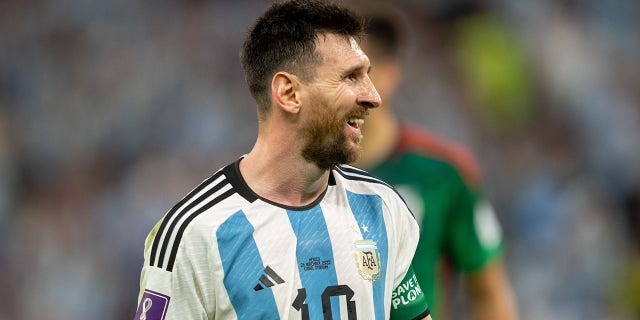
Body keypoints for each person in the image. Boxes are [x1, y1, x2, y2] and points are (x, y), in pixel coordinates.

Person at [133, 1, 432, 319]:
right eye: (351, 77)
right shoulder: (194, 235)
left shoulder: (381, 207)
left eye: (368, 76)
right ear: (289, 93)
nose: (373, 96)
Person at [352, 6, 519, 320]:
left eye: (359, 71)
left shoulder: (442, 172)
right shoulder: (304, 175)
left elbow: (488, 292)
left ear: (389, 74)